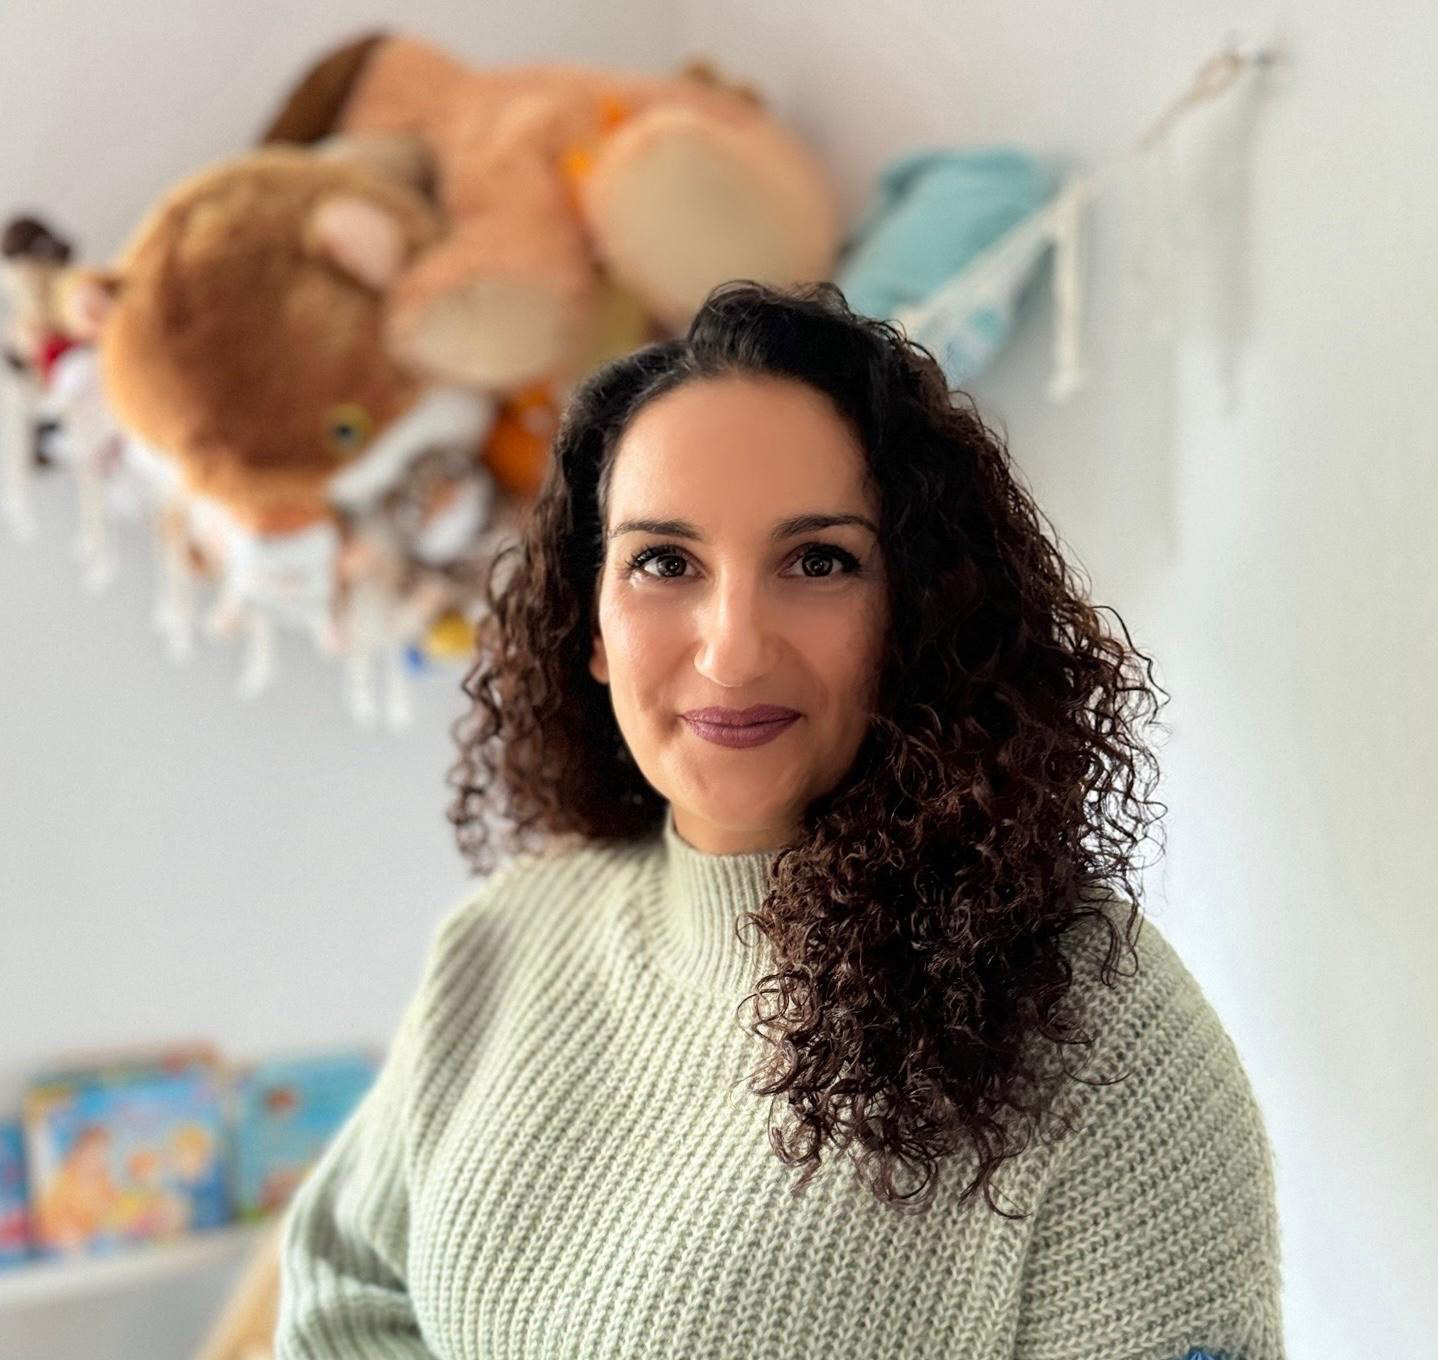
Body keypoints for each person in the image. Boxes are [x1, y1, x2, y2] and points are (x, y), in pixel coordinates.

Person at [274, 279, 1284, 1359]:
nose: (732, 650)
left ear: (917, 612)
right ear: (592, 624)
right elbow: (344, 1288)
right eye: (664, 562)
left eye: (818, 562)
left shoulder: (1097, 1037)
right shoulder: (506, 942)